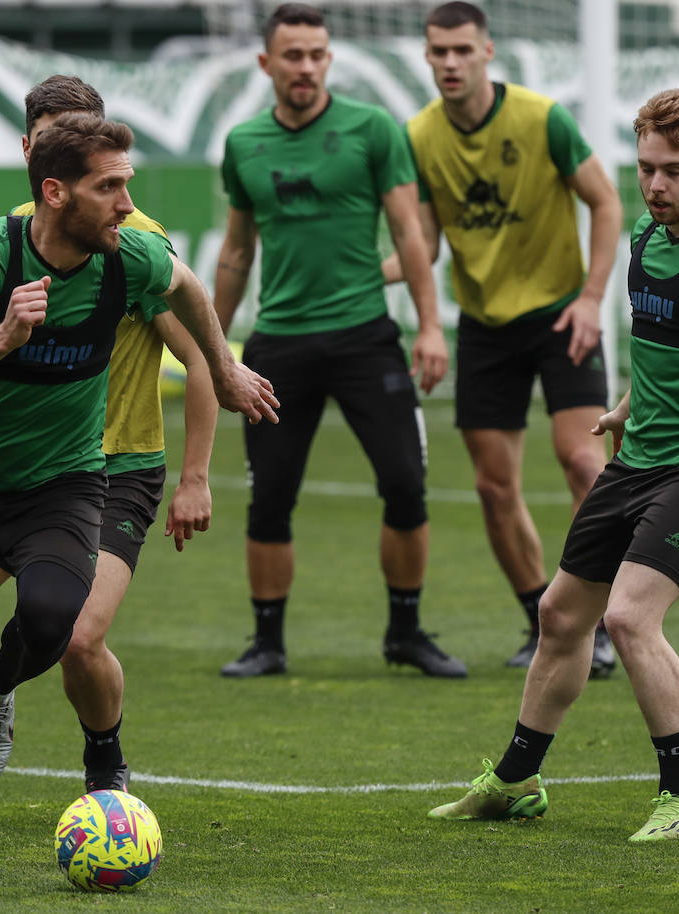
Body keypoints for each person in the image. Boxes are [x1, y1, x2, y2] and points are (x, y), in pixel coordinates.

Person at [0, 113, 279, 859]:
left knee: (54, 617)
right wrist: (3, 337)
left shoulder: (130, 255)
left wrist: (224, 368)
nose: (127, 203)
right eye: (111, 187)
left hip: (63, 483)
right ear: (56, 192)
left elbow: (190, 287)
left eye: (127, 184)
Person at [428, 88, 679, 842]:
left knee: (628, 617)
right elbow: (672, 343)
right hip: (638, 460)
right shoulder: (642, 235)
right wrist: (630, 403)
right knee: (560, 615)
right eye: (645, 169)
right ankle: (516, 780)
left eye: (674, 170)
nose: (656, 185)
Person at [0, 75, 223, 825]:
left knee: (75, 635)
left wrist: (195, 475)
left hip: (113, 467)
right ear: (33, 151)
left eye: (87, 130)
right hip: (6, 472)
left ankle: (99, 758)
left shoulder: (131, 240)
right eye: (52, 132)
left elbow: (200, 351)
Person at [214, 2, 464, 680]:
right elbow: (236, 252)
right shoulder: (243, 144)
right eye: (292, 55)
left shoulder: (374, 130)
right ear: (267, 63)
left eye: (317, 54)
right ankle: (267, 643)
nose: (306, 67)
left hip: (366, 339)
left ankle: (405, 633)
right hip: (279, 344)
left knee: (407, 486)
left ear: (329, 59)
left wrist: (432, 326)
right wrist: (212, 348)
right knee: (270, 499)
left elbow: (412, 236)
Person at [384, 1, 623, 673]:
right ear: (426, 57)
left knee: (583, 462)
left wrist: (591, 301)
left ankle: (594, 620)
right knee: (493, 488)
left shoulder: (542, 118)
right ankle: (542, 622)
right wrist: (363, 274)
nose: (451, 62)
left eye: (463, 49)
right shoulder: (417, 136)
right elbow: (422, 241)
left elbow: (606, 203)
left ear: (488, 51)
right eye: (439, 52)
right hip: (485, 326)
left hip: (560, 315)